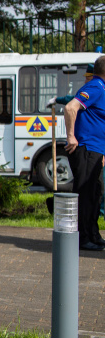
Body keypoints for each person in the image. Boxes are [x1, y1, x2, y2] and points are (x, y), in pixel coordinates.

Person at [62, 56, 105, 251]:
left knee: (95, 192)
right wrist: (71, 136)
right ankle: (82, 238)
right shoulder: (96, 87)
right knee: (85, 194)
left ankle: (93, 234)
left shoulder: (101, 88)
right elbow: (71, 107)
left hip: (96, 150)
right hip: (86, 148)